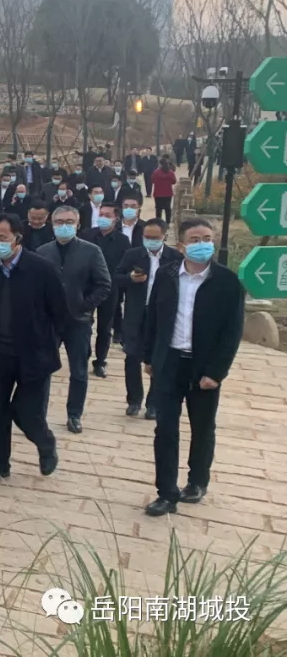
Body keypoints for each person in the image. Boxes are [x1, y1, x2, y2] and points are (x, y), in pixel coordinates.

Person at [142, 219, 245, 517]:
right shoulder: (166, 275)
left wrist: (216, 372)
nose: (202, 244)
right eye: (195, 239)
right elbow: (153, 318)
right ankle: (166, 493)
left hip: (203, 365)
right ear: (182, 246)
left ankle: (197, 481)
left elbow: (232, 332)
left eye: (207, 238)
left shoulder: (227, 281)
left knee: (202, 426)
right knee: (165, 428)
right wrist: (149, 357)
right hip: (169, 361)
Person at [0, 213, 68, 481]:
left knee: (27, 412)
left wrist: (49, 345)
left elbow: (60, 312)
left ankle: (45, 442)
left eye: (2, 238)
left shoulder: (42, 269)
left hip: (34, 354)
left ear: (17, 238)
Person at [36, 205, 111, 434]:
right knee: (42, 369)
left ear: (78, 225)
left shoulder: (91, 251)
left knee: (79, 371)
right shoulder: (42, 251)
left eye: (69, 222)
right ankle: (38, 415)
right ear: (52, 224)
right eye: (59, 222)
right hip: (50, 321)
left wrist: (84, 305)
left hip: (78, 320)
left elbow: (104, 284)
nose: (64, 226)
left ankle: (74, 414)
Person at [116, 219, 180, 419]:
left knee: (158, 357)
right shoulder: (133, 255)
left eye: (155, 237)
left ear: (164, 236)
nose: (150, 241)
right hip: (136, 312)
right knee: (132, 356)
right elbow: (116, 277)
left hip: (161, 314)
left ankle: (154, 403)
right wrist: (130, 279)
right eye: (147, 237)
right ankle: (134, 400)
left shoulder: (175, 257)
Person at [82, 202, 130, 380]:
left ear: (116, 218)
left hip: (110, 288)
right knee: (84, 324)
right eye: (101, 214)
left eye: (108, 215)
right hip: (87, 287)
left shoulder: (123, 241)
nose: (103, 218)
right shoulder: (87, 235)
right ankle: (83, 356)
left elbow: (125, 266)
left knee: (105, 327)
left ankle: (100, 361)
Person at [151, 157, 177, 226]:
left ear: (160, 164)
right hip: (168, 193)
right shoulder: (170, 172)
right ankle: (167, 223)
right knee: (167, 208)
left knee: (158, 208)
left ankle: (158, 223)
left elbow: (152, 180)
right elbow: (174, 181)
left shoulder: (156, 172)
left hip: (158, 193)